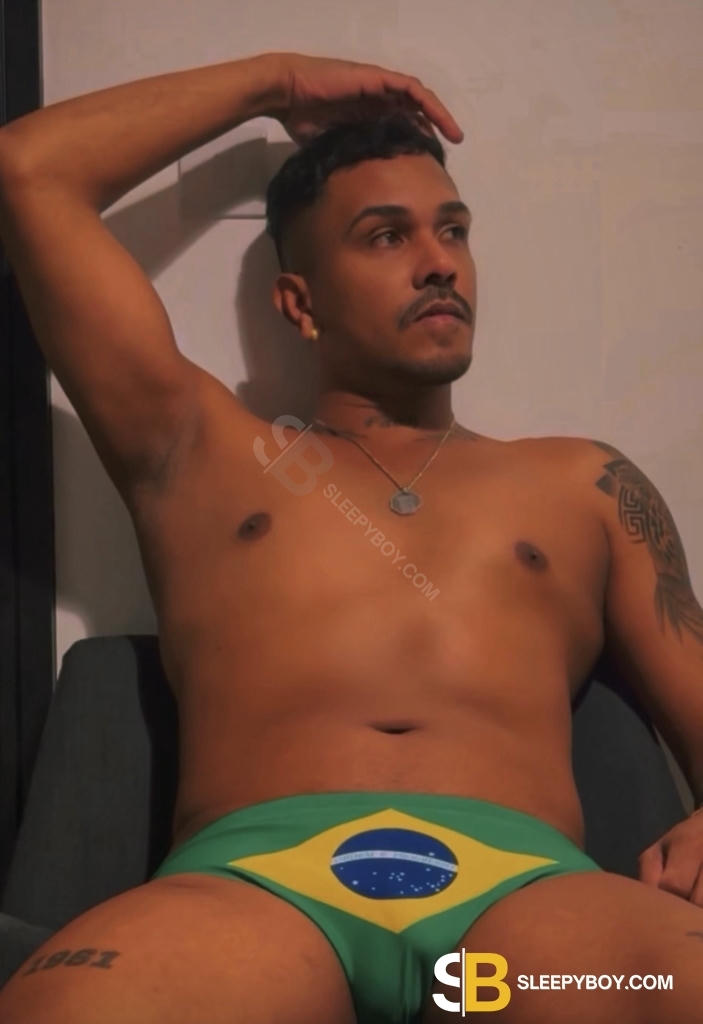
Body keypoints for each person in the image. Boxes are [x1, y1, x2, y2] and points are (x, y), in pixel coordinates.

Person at [0, 48, 701, 1024]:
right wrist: (276, 85)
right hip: (257, 889)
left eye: (452, 229)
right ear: (300, 302)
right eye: (385, 236)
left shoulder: (584, 484)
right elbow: (29, 171)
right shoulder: (198, 452)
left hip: (524, 905)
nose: (438, 260)